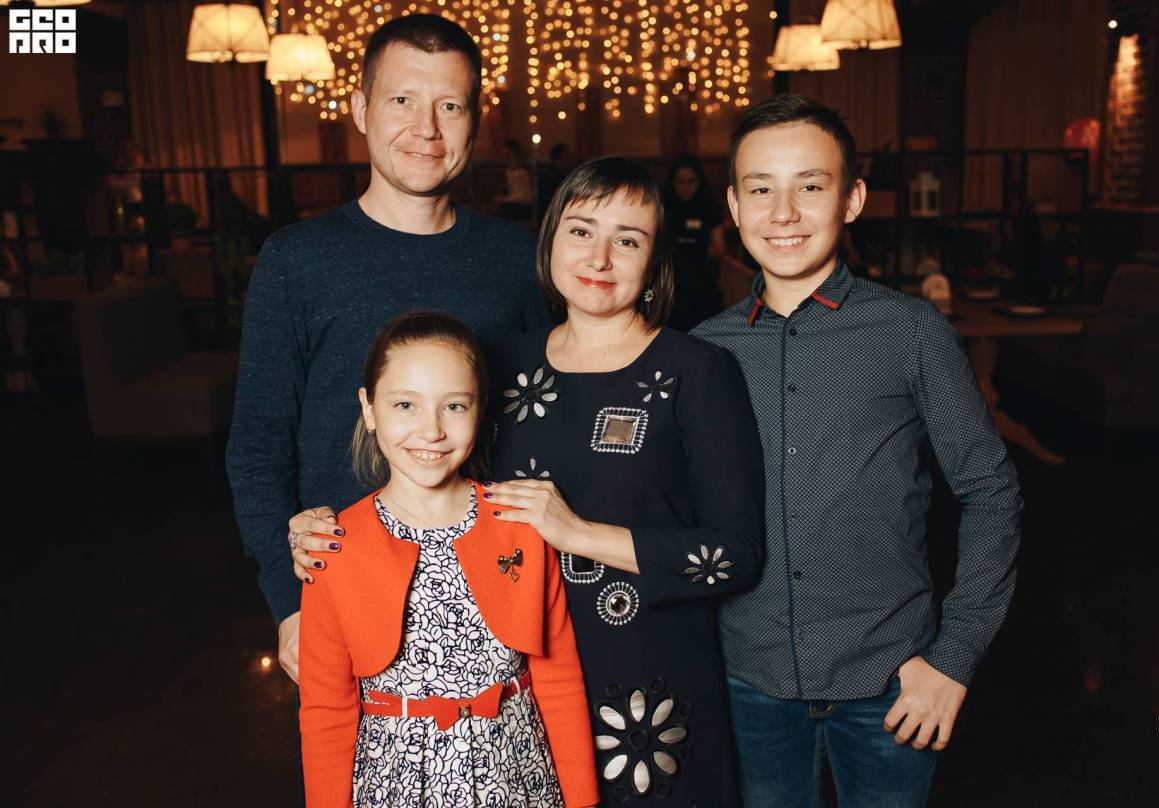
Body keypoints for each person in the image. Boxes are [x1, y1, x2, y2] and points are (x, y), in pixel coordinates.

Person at [289, 157, 766, 806]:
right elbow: (432, 482)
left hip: (649, 684)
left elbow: (736, 555)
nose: (600, 257)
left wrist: (578, 533)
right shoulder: (505, 366)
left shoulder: (698, 371)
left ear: (655, 261)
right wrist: (327, 532)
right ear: (550, 240)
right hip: (516, 696)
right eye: (581, 231)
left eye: (628, 240)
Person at [691, 94, 1023, 807]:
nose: (784, 213)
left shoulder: (910, 331)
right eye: (761, 190)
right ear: (735, 206)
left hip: (892, 683)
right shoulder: (704, 351)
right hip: (747, 681)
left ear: (852, 200)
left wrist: (955, 657)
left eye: (810, 186)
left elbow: (990, 489)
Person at [226, 12, 547, 693]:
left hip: (497, 596)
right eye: (402, 99)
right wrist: (287, 601)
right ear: (360, 109)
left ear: (474, 120)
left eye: (449, 106)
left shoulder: (517, 257)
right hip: (343, 594)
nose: (426, 129)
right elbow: (257, 442)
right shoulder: (295, 260)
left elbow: (541, 422)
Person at [298, 311, 597, 807]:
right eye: (405, 405)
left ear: (480, 410)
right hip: (394, 785)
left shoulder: (521, 523)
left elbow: (558, 673)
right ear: (369, 409)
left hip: (518, 775)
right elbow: (326, 708)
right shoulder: (333, 546)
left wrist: (583, 799)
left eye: (454, 405)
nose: (431, 430)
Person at [662, 154, 726, 331]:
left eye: (691, 182)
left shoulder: (708, 205)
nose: (685, 187)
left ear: (699, 181)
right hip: (670, 280)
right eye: (680, 182)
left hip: (701, 278)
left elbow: (719, 249)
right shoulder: (663, 205)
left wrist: (695, 248)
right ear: (672, 182)